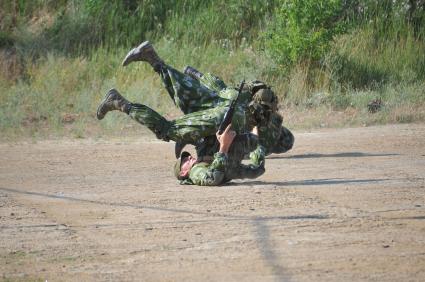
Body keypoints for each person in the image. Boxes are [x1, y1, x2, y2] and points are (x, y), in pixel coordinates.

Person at [97, 41, 277, 146]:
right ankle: (118, 102)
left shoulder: (243, 97)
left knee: (185, 98)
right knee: (169, 130)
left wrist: (197, 75)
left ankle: (152, 57)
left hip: (227, 102)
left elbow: (220, 87)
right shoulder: (254, 128)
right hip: (225, 116)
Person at [174, 124, 265, 186]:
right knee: (257, 170)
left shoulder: (200, 161)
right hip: (227, 167)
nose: (189, 157)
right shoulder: (195, 172)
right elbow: (214, 178)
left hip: (226, 164)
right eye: (185, 160)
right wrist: (224, 146)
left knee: (257, 170)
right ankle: (256, 136)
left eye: (187, 157)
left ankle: (255, 131)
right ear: (183, 173)